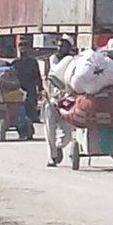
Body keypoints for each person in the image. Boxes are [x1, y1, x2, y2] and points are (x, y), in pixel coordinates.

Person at [44, 36, 75, 166]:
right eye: (58, 46)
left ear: (69, 47)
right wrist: (49, 96)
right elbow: (46, 79)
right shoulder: (52, 60)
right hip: (51, 100)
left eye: (63, 46)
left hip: (67, 101)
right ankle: (52, 157)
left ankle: (59, 146)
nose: (59, 48)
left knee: (67, 132)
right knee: (49, 130)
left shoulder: (73, 61)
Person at [13, 42, 42, 126]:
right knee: (19, 106)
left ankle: (31, 123)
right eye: (21, 47)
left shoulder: (32, 62)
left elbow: (37, 75)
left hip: (30, 87)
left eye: (25, 47)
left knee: (31, 105)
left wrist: (40, 88)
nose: (23, 49)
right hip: (19, 87)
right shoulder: (15, 62)